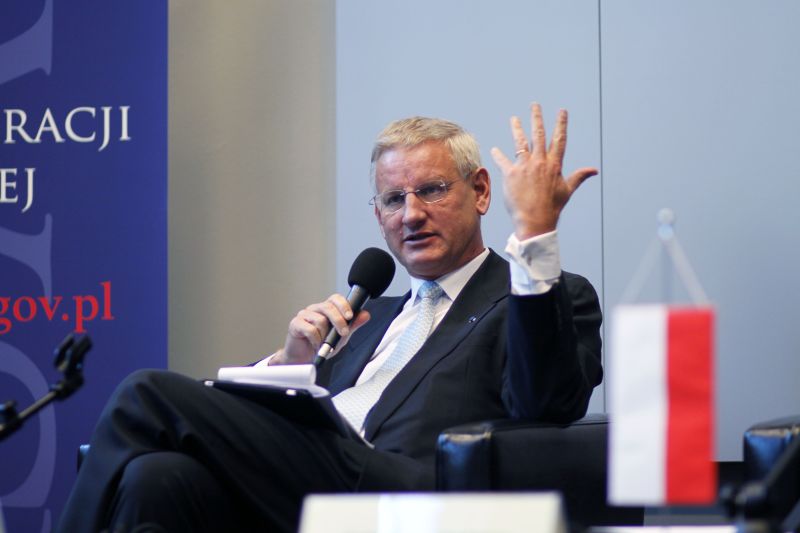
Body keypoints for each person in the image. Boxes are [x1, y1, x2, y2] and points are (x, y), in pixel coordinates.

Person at [57, 103, 603, 533]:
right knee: (155, 477)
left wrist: (535, 234)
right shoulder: (370, 315)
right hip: (308, 487)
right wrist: (290, 365)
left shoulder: (539, 298)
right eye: (393, 200)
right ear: (378, 215)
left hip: (407, 493)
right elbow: (294, 424)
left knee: (146, 392)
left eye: (432, 191)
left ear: (480, 191)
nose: (411, 214)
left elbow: (545, 401)